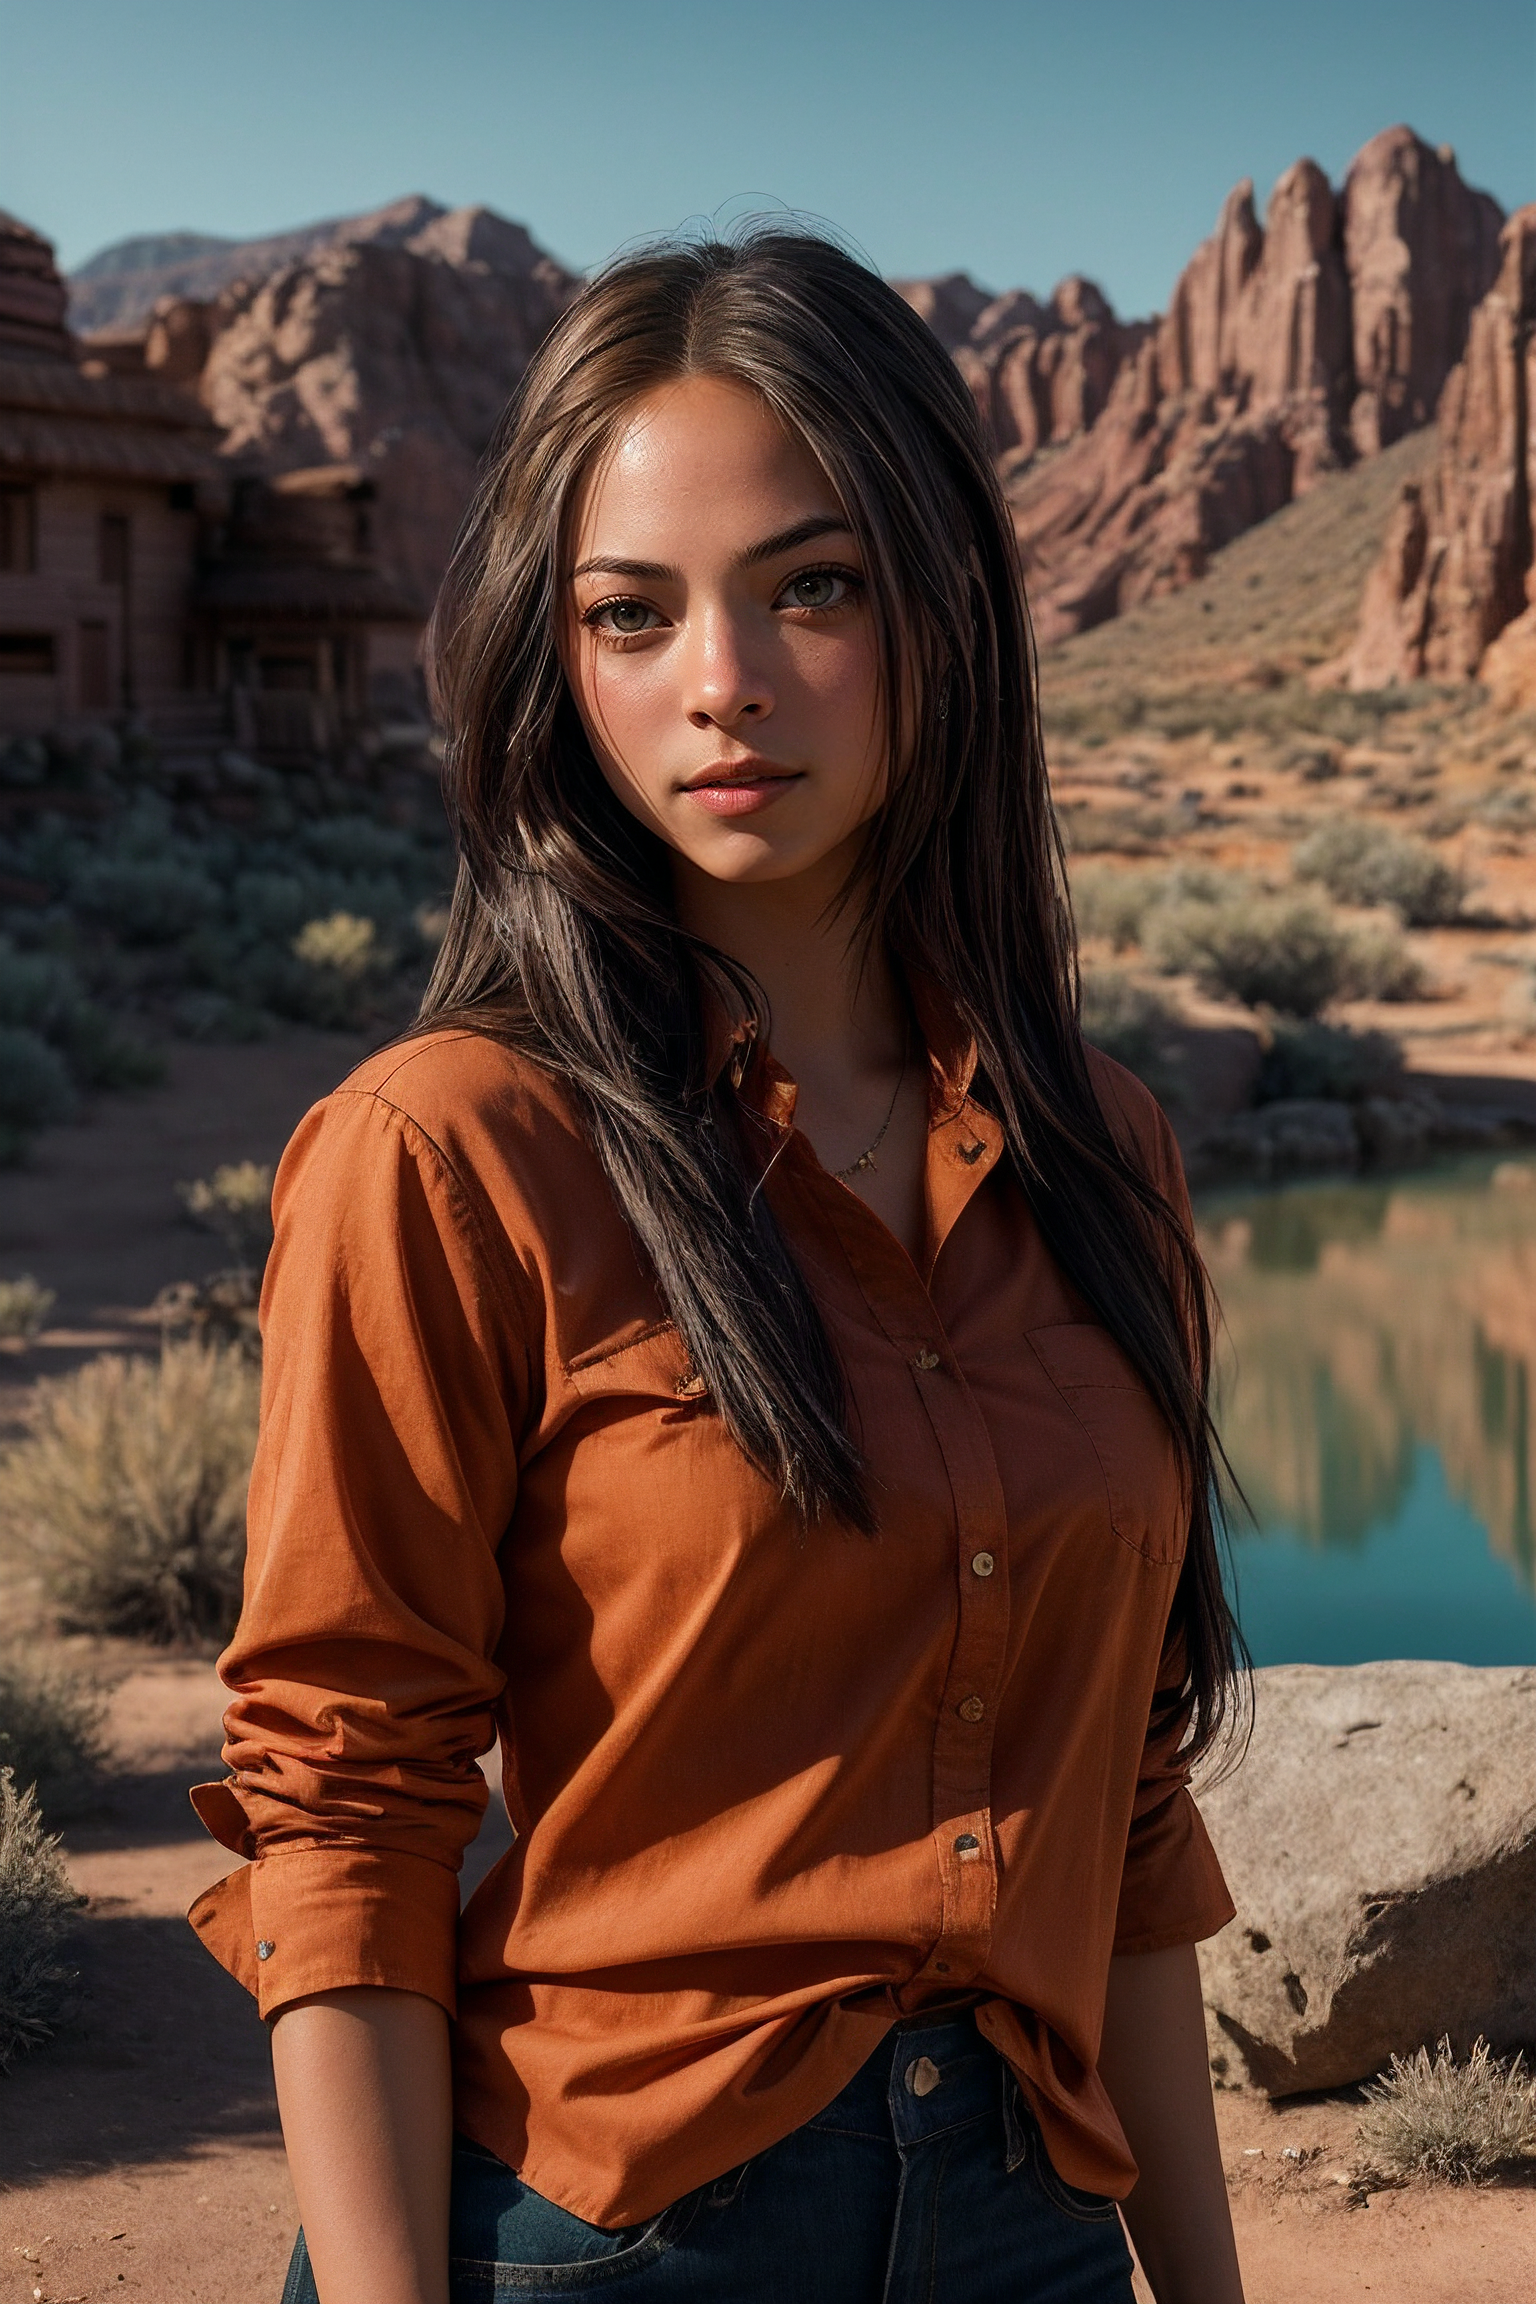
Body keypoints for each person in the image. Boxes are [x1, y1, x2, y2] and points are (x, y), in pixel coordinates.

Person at [189, 226, 1248, 2304]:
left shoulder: (1106, 1156)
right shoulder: (451, 1155)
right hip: (600, 2246)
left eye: (813, 587)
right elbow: (348, 1816)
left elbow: (1120, 1803)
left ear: (943, 606)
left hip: (1031, 2236)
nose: (725, 684)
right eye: (633, 613)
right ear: (549, 657)